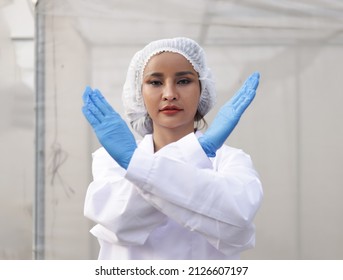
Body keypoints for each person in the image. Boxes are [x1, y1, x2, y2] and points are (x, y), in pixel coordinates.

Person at [81, 37, 263, 260]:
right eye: (155, 82)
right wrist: (195, 152)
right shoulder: (110, 160)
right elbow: (120, 221)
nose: (169, 94)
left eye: (184, 81)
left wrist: (136, 165)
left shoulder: (232, 160)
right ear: (140, 93)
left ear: (201, 89)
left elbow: (237, 220)